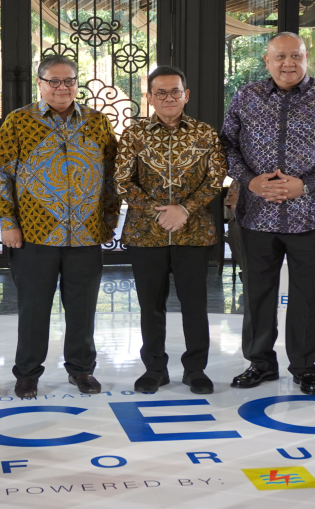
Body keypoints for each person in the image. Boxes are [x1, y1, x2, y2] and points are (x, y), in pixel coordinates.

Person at [219, 32, 315, 396]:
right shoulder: (246, 97)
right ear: (266, 61)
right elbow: (226, 146)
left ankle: (304, 368)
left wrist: (307, 185)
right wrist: (249, 181)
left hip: (311, 215)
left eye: (295, 56)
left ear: (305, 57)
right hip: (256, 215)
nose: (288, 63)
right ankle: (260, 363)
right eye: (280, 57)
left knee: (308, 296)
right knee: (257, 293)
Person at [0, 55, 120, 398]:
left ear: (77, 83)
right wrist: (8, 222)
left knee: (82, 309)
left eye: (69, 81)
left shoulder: (98, 122)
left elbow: (111, 176)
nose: (62, 88)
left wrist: (109, 220)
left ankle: (81, 370)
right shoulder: (18, 122)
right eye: (54, 81)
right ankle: (27, 373)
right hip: (35, 233)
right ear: (40, 83)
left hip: (85, 233)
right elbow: (2, 175)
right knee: (33, 308)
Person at [115, 65, 225, 395]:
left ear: (186, 95)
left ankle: (195, 369)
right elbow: (122, 181)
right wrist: (157, 211)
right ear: (149, 98)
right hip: (146, 234)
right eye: (160, 93)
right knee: (151, 305)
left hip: (194, 232)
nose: (168, 98)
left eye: (175, 92)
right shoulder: (133, 135)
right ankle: (155, 368)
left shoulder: (205, 134)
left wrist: (184, 209)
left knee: (195, 305)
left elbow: (216, 179)